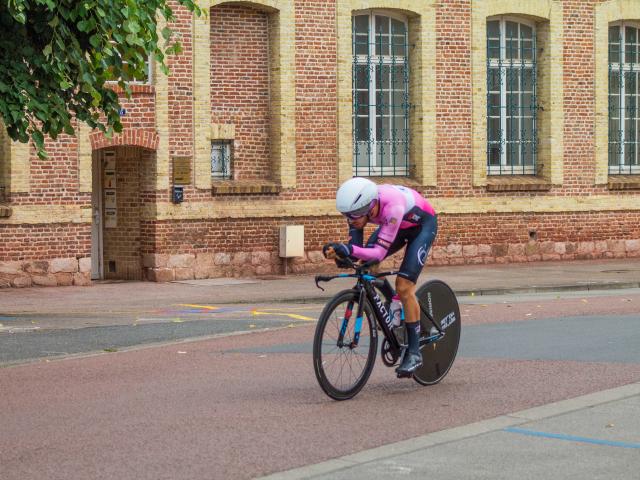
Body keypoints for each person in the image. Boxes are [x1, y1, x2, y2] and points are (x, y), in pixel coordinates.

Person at [323, 177, 438, 378]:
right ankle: (392, 304)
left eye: (354, 216)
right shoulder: (358, 209)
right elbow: (357, 250)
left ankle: (413, 352)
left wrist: (349, 249)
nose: (351, 221)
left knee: (404, 286)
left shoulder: (392, 206)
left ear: (370, 207)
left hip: (421, 228)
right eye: (346, 216)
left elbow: (376, 252)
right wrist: (342, 254)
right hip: (398, 227)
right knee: (366, 267)